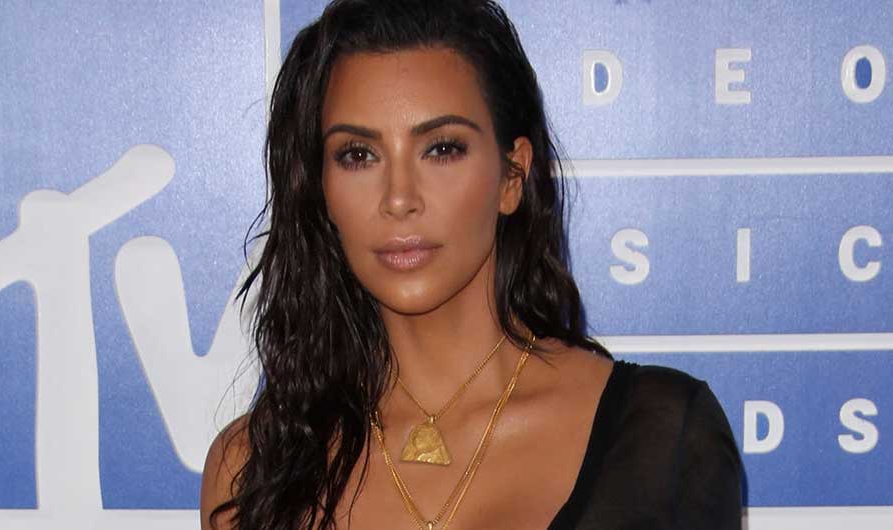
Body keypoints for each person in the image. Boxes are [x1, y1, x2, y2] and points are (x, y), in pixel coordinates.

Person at [200, 1, 744, 529]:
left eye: (441, 149)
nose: (399, 198)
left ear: (512, 177)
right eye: (358, 155)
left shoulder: (662, 438)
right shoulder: (249, 470)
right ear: (321, 190)